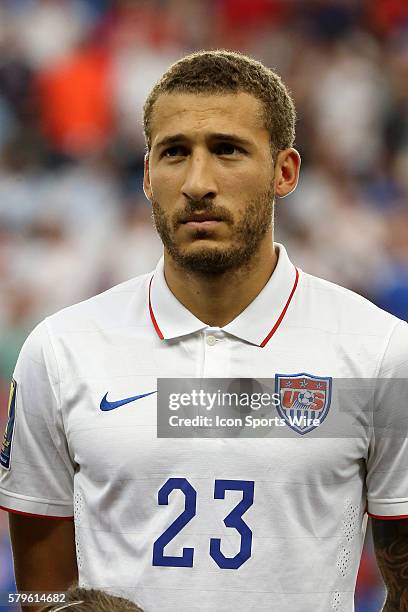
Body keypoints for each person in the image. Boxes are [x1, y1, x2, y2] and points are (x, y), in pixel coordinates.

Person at [0, 50, 407, 612]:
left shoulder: (379, 351)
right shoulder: (60, 349)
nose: (197, 182)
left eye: (227, 150)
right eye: (174, 153)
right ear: (147, 175)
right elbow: (37, 589)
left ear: (284, 172)